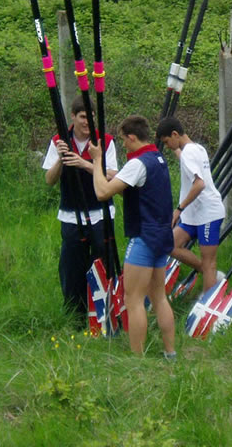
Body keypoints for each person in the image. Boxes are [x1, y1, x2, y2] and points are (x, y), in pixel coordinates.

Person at [89, 115, 175, 356]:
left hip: (144, 238)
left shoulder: (138, 164)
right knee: (159, 297)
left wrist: (96, 161)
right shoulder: (158, 158)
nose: (124, 145)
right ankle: (170, 353)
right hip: (161, 236)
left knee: (133, 299)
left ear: (132, 137)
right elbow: (140, 193)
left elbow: (102, 193)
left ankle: (138, 359)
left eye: (124, 140)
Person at [43, 95, 117, 320]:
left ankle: (104, 312)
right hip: (70, 215)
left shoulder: (105, 140)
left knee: (103, 263)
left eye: (91, 117)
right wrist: (61, 159)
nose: (87, 122)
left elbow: (113, 176)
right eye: (83, 117)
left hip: (101, 214)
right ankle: (75, 315)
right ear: (73, 117)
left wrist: (85, 164)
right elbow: (49, 180)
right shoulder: (59, 140)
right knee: (72, 267)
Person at [156, 116, 226, 292]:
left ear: (175, 134)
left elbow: (199, 184)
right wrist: (176, 150)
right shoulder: (197, 148)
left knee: (209, 262)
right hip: (194, 215)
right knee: (169, 245)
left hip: (208, 213)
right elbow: (185, 159)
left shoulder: (189, 153)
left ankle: (207, 304)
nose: (167, 146)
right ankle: (209, 273)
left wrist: (178, 209)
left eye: (167, 141)